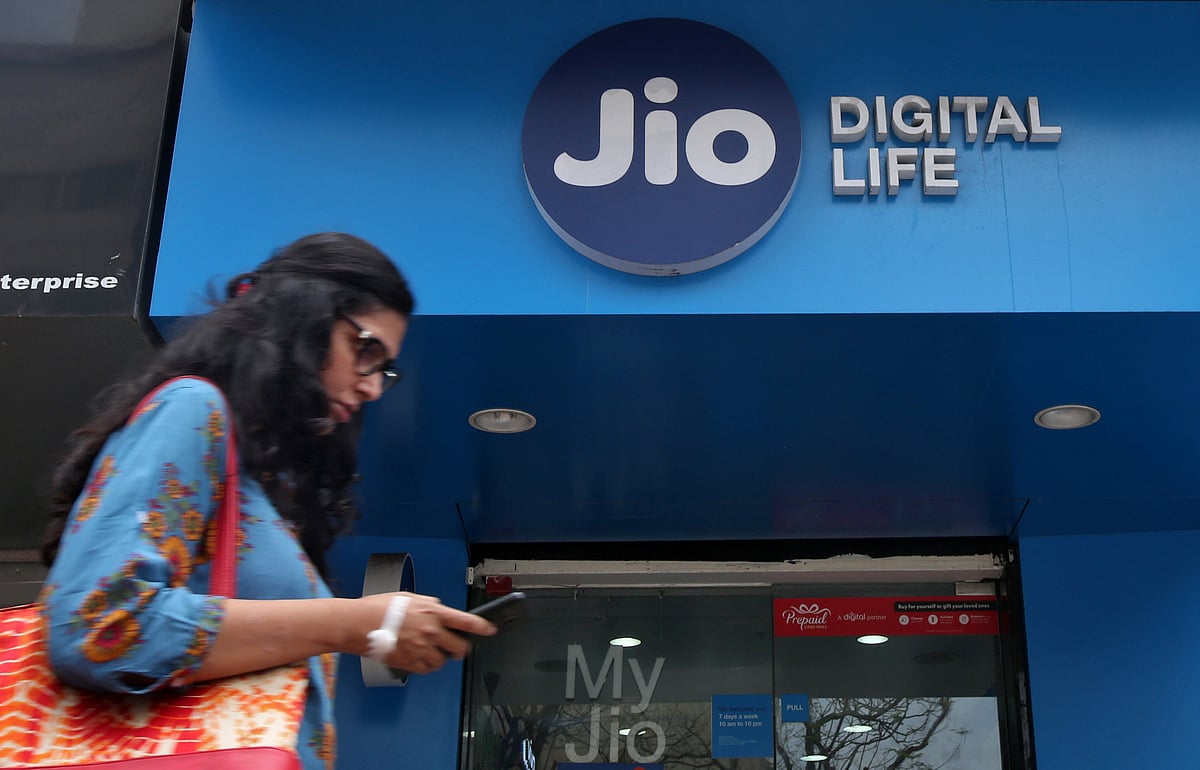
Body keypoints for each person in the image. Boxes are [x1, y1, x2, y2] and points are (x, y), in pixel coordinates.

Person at [39, 232, 494, 770]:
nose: (373, 387)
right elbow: (98, 625)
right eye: (365, 348)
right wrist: (351, 624)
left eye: (385, 370)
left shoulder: (262, 482)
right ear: (301, 314)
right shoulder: (194, 409)